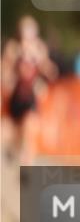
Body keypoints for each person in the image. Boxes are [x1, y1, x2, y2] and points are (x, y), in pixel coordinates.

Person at [1, 16, 57, 163]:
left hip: (31, 99)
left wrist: (39, 61)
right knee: (9, 132)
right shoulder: (13, 47)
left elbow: (52, 73)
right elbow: (4, 74)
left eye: (31, 28)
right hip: (14, 98)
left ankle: (26, 170)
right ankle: (14, 150)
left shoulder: (40, 48)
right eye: (25, 28)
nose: (28, 32)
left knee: (29, 130)